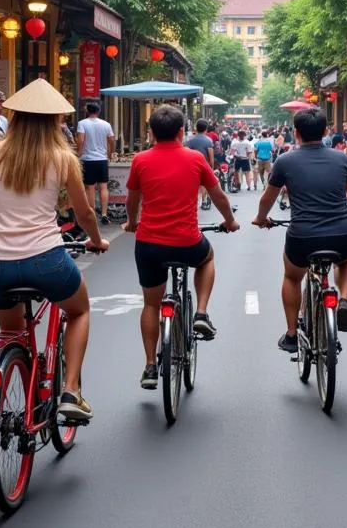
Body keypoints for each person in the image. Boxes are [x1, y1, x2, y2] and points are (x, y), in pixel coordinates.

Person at [0, 79, 108, 421]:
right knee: (78, 311)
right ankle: (71, 390)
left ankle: (20, 384)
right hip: (46, 260)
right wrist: (95, 238)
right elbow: (84, 213)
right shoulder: (62, 158)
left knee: (12, 333)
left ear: (14, 117)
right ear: (54, 121)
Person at [125, 104, 239, 389]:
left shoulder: (140, 160)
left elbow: (132, 200)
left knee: (151, 304)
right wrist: (230, 221)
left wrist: (130, 223)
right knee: (207, 258)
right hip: (187, 242)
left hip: (149, 243)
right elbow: (218, 196)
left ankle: (151, 366)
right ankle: (200, 313)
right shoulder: (196, 158)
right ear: (181, 132)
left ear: (151, 133)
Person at [253, 107, 347, 352]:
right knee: (345, 262)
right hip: (342, 233)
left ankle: (292, 334)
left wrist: (261, 218)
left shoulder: (285, 161)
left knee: (292, 277)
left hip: (302, 236)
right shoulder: (342, 159)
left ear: (296, 133)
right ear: (326, 131)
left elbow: (266, 199)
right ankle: (343, 299)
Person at [76, 101, 116, 224]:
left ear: (87, 111)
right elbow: (111, 140)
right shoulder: (106, 124)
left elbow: (81, 140)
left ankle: (91, 213)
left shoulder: (82, 123)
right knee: (103, 187)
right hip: (102, 159)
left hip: (88, 159)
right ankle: (104, 214)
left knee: (90, 187)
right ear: (98, 111)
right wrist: (110, 153)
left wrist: (79, 153)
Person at [185, 118, 216, 211]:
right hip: (204, 166)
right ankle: (203, 201)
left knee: (192, 184)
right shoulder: (208, 141)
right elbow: (211, 156)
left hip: (191, 166)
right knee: (203, 185)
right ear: (206, 129)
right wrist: (212, 168)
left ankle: (192, 202)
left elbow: (186, 153)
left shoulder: (189, 140)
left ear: (196, 128)